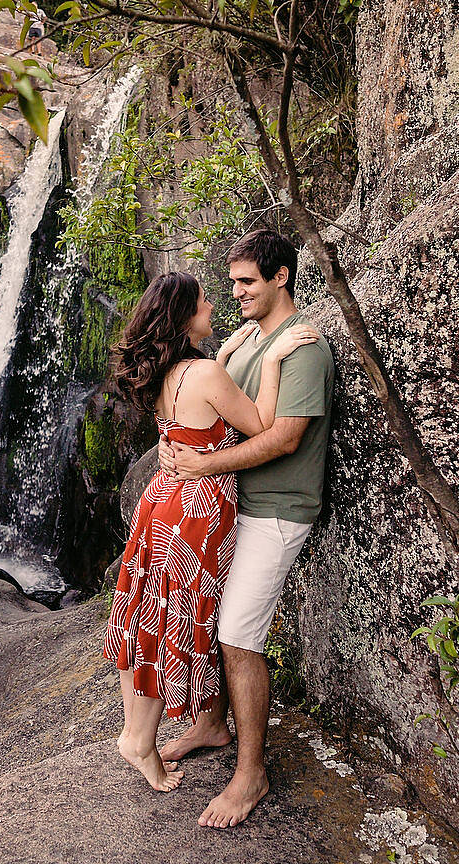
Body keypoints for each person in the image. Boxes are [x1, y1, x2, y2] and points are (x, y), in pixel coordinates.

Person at [103, 271, 318, 792]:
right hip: (196, 511)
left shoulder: (171, 372)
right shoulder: (203, 373)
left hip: (162, 501)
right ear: (183, 317)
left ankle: (152, 732)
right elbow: (264, 423)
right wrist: (270, 360)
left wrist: (223, 358)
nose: (214, 307)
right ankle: (139, 739)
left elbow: (195, 406)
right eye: (203, 302)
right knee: (172, 623)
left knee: (146, 619)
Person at [157, 229, 335, 828]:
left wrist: (204, 463)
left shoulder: (303, 345)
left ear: (281, 276)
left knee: (237, 634)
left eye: (247, 282)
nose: (236, 292)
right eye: (230, 283)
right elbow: (216, 382)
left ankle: (251, 772)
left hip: (277, 510)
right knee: (204, 616)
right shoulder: (255, 339)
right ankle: (211, 723)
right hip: (235, 506)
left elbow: (283, 437)